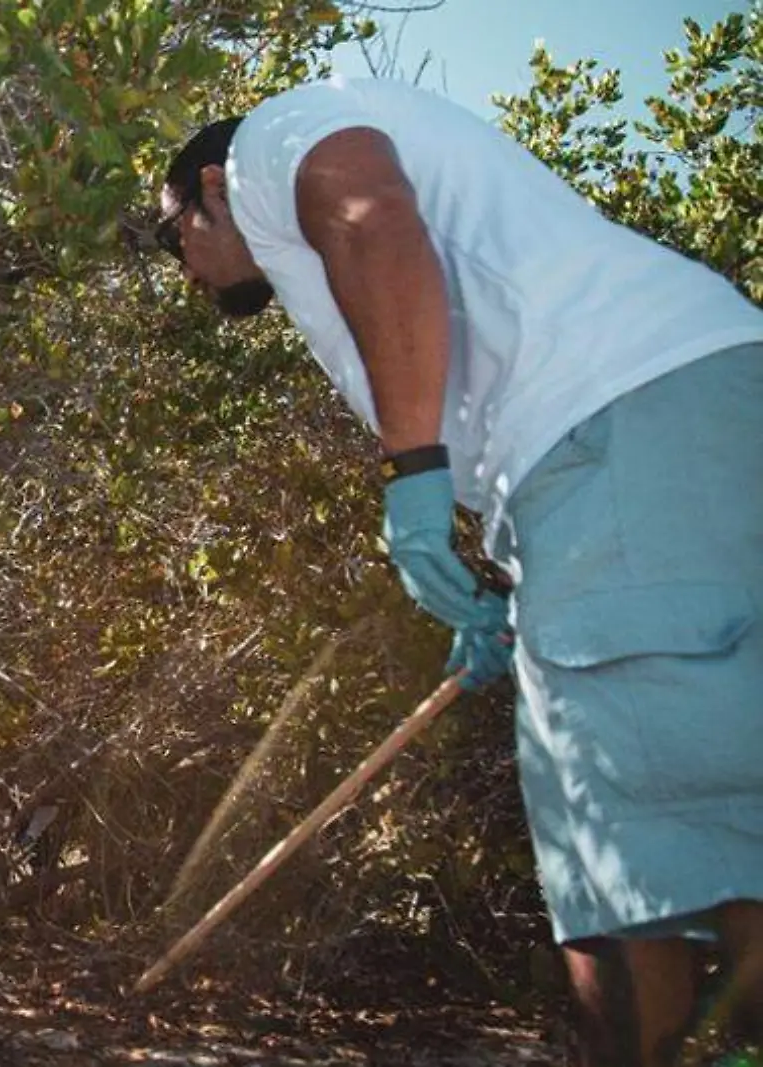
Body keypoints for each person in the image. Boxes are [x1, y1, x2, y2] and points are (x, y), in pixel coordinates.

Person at [150, 78, 763, 1066]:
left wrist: (414, 475)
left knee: (631, 858)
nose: (176, 262)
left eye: (167, 232)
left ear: (209, 187)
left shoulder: (275, 140)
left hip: (614, 428)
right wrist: (524, 580)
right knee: (735, 810)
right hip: (695, 410)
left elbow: (371, 216)